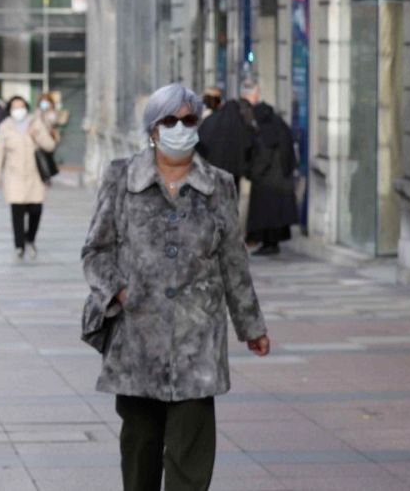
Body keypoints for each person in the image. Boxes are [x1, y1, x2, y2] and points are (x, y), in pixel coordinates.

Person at [81, 83, 270, 491]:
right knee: (140, 454)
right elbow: (95, 252)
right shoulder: (121, 177)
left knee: (190, 460)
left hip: (196, 342)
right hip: (137, 343)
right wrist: (121, 293)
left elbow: (233, 260)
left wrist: (251, 326)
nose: (180, 128)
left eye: (188, 120)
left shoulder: (218, 185)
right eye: (170, 120)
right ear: (153, 128)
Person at [0, 96, 57, 260]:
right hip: (14, 176)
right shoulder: (5, 127)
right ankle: (19, 246)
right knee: (17, 212)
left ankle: (30, 238)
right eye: (15, 107)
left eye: (22, 106)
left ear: (26, 107)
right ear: (10, 109)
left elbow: (50, 145)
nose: (19, 110)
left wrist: (37, 135)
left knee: (36, 210)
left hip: (34, 176)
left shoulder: (36, 123)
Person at [246, 100, 300, 255]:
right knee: (276, 217)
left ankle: (269, 244)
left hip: (267, 182)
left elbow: (264, 157)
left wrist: (252, 173)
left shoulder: (266, 132)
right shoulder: (281, 126)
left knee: (266, 216)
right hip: (281, 178)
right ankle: (271, 243)